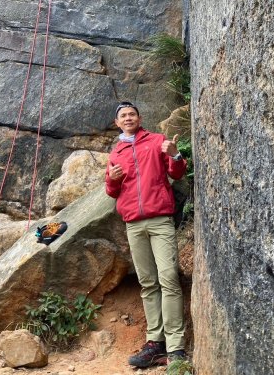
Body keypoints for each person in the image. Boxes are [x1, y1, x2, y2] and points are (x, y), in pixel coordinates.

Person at [105, 101, 187, 369]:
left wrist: (174, 154)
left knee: (168, 279)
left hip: (160, 219)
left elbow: (177, 171)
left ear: (139, 118)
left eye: (131, 114)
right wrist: (113, 180)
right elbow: (112, 192)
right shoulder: (116, 152)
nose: (128, 118)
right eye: (122, 116)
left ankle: (175, 347)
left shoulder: (156, 141)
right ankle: (155, 343)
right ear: (117, 123)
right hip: (134, 225)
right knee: (148, 283)